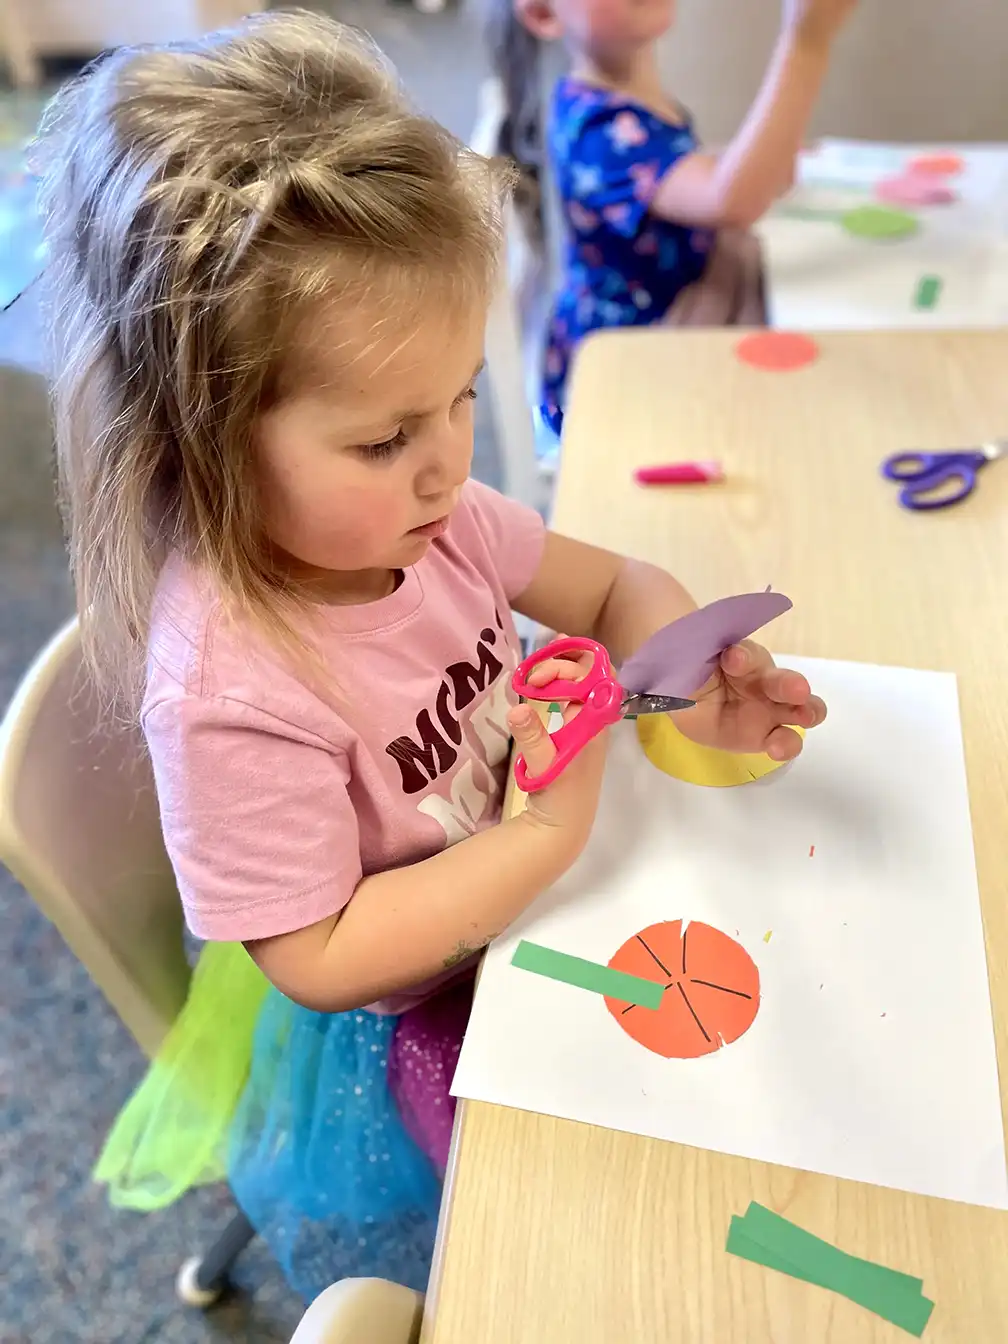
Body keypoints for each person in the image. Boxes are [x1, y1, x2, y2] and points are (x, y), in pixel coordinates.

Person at [36, 9, 826, 1300]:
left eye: (461, 397)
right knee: (589, 1229)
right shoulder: (230, 683)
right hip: (393, 1009)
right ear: (202, 437)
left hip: (519, 866)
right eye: (386, 435)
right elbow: (325, 954)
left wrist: (683, 681)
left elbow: (613, 583)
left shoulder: (434, 516)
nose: (451, 461)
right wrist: (540, 837)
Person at [486, 0, 858, 439]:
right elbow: (731, 200)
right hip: (621, 389)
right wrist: (807, 42)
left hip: (665, 347)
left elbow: (722, 181)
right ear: (543, 14)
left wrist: (760, 161)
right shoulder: (598, 131)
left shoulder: (630, 102)